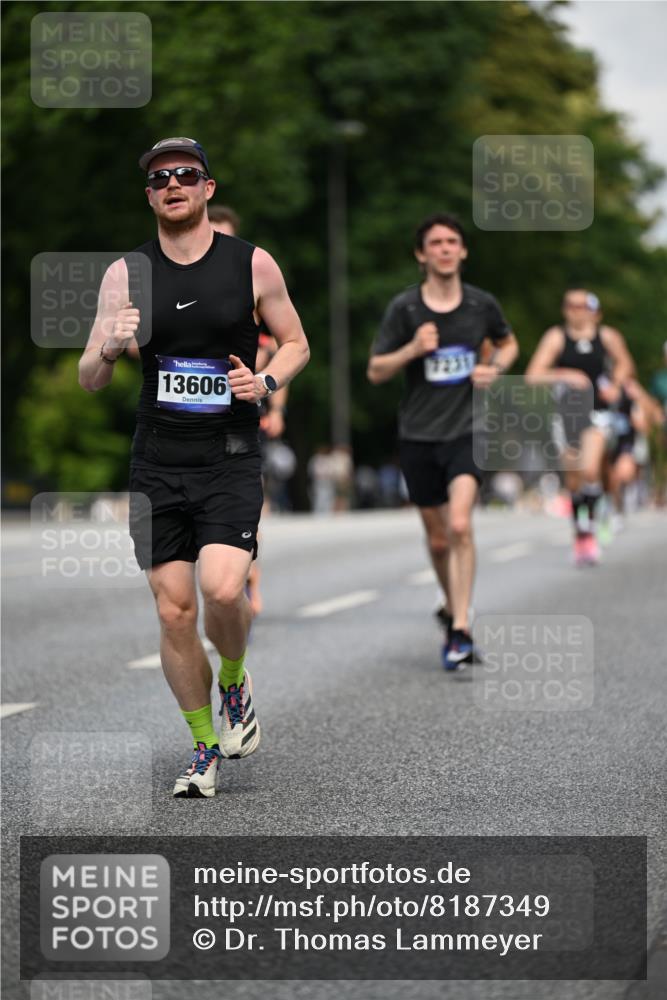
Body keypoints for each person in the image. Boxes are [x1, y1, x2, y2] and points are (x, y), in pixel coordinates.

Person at [78, 137, 309, 797]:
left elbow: (296, 343)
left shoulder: (251, 263)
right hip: (157, 460)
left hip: (229, 455)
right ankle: (204, 747)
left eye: (185, 174)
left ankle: (233, 676)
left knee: (225, 590)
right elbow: (89, 376)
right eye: (160, 179)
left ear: (208, 188)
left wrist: (264, 382)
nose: (172, 184)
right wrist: (110, 347)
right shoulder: (126, 275)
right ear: (150, 196)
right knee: (175, 611)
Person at [368, 213, 518, 670]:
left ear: (463, 250)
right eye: (435, 243)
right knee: (437, 542)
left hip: (467, 430)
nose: (445, 249)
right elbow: (375, 371)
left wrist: (495, 369)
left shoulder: (480, 305)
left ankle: (461, 629)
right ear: (422, 254)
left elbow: (508, 343)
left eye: (452, 241)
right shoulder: (406, 309)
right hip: (418, 434)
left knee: (460, 524)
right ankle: (452, 607)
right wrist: (412, 349)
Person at [208, 203, 289, 612]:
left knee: (245, 502)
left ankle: (247, 578)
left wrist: (275, 409)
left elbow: (283, 356)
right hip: (192, 422)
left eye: (225, 235)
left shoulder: (253, 290)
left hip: (243, 421)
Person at [525, 290, 634, 565]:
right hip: (568, 415)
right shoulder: (556, 337)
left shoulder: (607, 337)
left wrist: (616, 384)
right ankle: (579, 531)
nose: (576, 311)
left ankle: (591, 529)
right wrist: (565, 375)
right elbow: (533, 375)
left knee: (590, 469)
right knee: (573, 479)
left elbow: (625, 363)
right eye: (571, 305)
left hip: (598, 413)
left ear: (593, 311)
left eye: (582, 306)